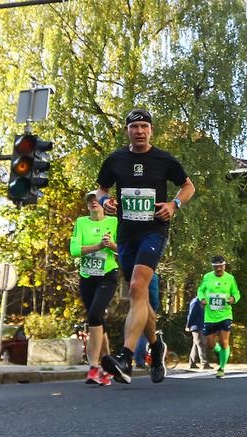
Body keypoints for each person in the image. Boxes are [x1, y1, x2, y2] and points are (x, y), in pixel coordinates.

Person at [98, 108, 196, 384]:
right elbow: (101, 190)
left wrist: (174, 204)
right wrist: (105, 202)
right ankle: (156, 345)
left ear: (152, 130)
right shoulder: (115, 160)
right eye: (134, 127)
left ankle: (125, 358)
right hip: (127, 233)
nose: (139, 131)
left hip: (153, 232)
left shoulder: (164, 159)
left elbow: (188, 186)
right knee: (139, 298)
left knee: (137, 288)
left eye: (144, 126)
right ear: (127, 130)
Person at [70, 190, 118, 386]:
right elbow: (74, 250)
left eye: (96, 199)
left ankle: (94, 367)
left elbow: (124, 249)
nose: (93, 203)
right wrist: (97, 247)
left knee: (94, 316)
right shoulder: (81, 223)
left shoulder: (114, 222)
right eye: (90, 200)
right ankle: (108, 368)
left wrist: (112, 245)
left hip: (107, 274)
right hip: (87, 277)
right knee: (97, 320)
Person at [197, 255, 241, 378]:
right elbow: (200, 291)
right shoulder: (207, 277)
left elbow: (236, 293)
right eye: (217, 267)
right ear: (213, 267)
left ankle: (221, 368)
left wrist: (233, 299)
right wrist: (202, 299)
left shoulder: (230, 278)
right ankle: (220, 351)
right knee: (210, 344)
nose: (219, 269)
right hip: (210, 316)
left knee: (224, 341)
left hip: (225, 314)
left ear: (224, 266)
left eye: (221, 267)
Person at [133, 273, 163, 368]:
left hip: (135, 307)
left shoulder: (135, 273)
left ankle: (130, 358)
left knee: (134, 334)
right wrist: (154, 309)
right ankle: (140, 360)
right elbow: (154, 296)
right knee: (144, 335)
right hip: (146, 308)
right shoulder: (151, 275)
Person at [186, 296, 211, 370]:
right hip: (196, 326)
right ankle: (204, 363)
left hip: (200, 326)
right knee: (201, 344)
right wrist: (188, 325)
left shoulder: (201, 303)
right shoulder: (195, 302)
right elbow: (191, 315)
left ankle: (192, 363)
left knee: (196, 345)